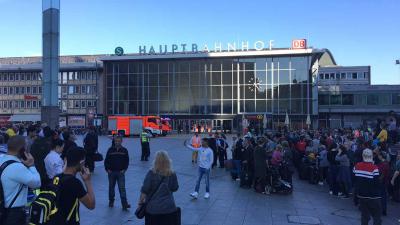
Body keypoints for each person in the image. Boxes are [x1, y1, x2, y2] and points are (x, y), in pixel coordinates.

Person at [0, 135, 41, 225]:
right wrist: (31, 166)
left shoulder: (2, 159)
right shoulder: (17, 167)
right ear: (23, 150)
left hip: (3, 210)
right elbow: (37, 183)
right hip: (14, 213)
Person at [50, 146, 95, 225]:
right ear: (81, 162)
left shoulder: (56, 177)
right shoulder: (74, 183)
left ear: (66, 160)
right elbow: (91, 205)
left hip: (54, 220)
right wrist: (87, 181)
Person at [139, 151, 179, 225]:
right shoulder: (172, 173)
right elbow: (175, 188)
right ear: (168, 161)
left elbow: (144, 190)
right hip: (169, 209)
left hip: (153, 209)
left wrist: (140, 202)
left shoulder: (151, 173)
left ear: (156, 161)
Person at [353, 148, 382, 225]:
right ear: (371, 156)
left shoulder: (357, 166)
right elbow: (377, 183)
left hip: (362, 195)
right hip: (373, 196)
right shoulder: (374, 168)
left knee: (364, 216)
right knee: (377, 217)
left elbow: (354, 179)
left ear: (363, 156)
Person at [104, 136, 130, 210]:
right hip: (111, 172)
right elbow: (106, 161)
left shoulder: (124, 150)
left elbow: (127, 161)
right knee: (111, 188)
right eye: (116, 141)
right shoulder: (110, 150)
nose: (117, 142)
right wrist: (107, 169)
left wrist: (124, 170)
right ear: (114, 141)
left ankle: (124, 204)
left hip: (120, 173)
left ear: (121, 141)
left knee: (122, 188)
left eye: (118, 141)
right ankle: (111, 201)